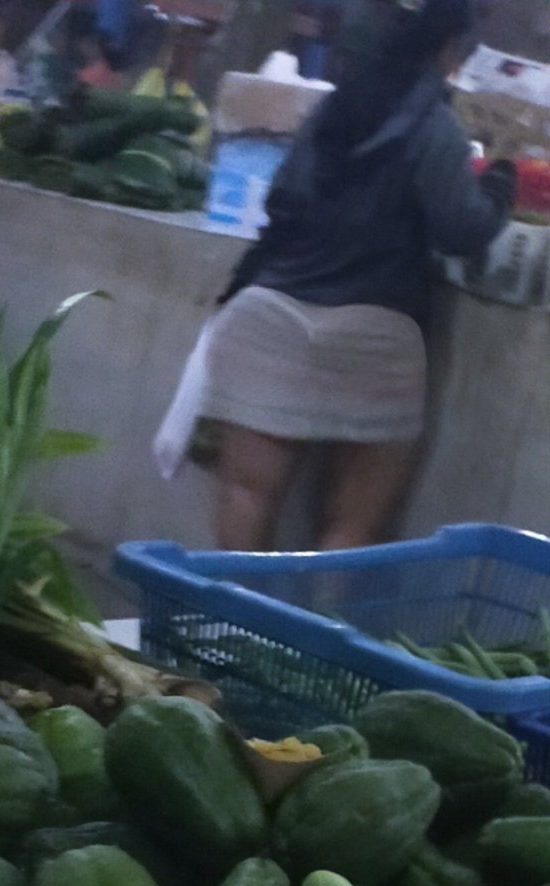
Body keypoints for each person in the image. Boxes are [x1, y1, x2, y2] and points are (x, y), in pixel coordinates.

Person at [197, 0, 515, 552]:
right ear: (449, 53)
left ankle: (227, 608)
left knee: (246, 494)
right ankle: (321, 612)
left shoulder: (332, 112)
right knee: (350, 525)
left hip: (267, 315)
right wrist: (499, 186)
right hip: (373, 333)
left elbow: (280, 203)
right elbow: (461, 229)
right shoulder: (435, 126)